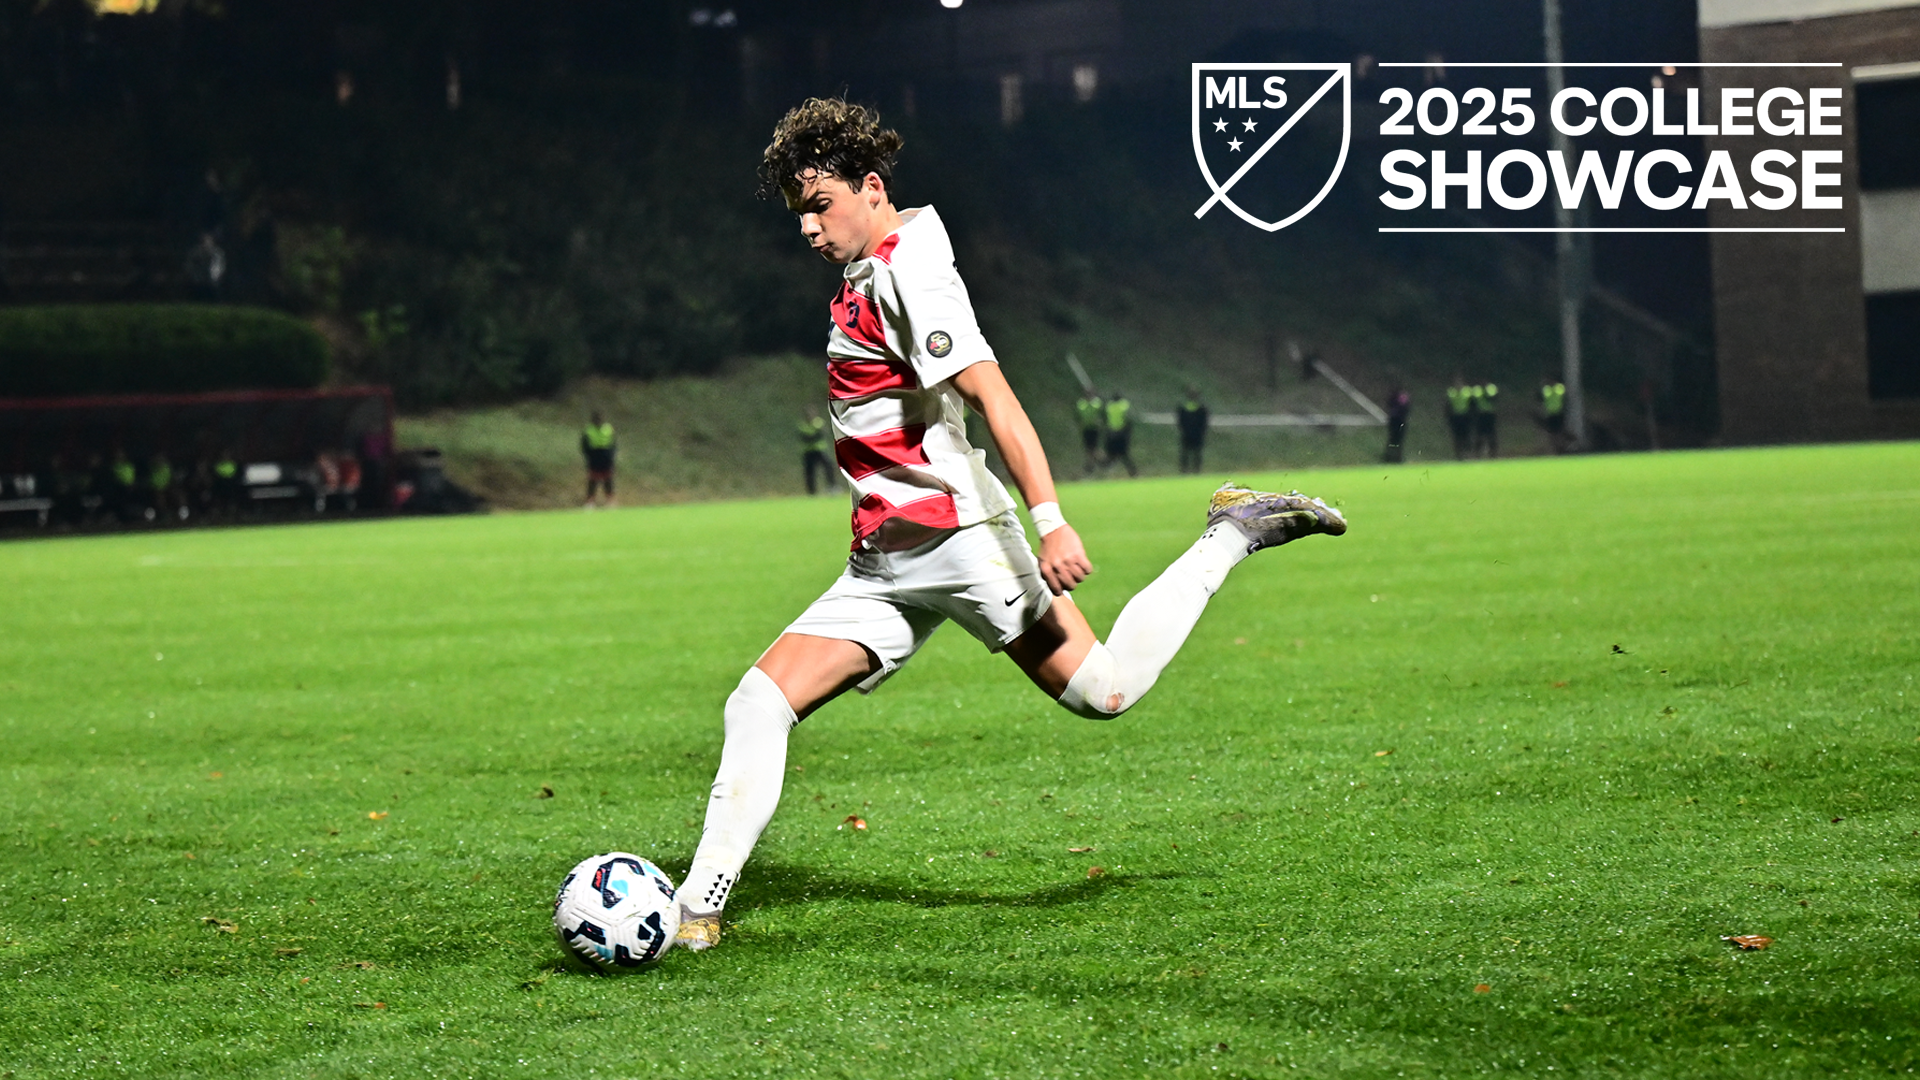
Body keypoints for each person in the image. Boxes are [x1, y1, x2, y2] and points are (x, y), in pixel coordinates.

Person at [669, 97, 1348, 953]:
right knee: (757, 704)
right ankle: (697, 908)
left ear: (870, 189)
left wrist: (1051, 520)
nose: (807, 228)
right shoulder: (869, 264)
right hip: (883, 562)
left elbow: (993, 395)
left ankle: (1232, 532)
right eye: (798, 213)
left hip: (963, 543)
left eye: (819, 206)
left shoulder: (915, 272)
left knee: (1106, 692)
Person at [580, 411, 616, 507]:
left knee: (608, 480)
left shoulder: (608, 429)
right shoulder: (588, 430)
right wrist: (589, 456)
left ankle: (610, 501)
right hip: (594, 457)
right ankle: (590, 502)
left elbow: (613, 444)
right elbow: (584, 446)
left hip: (606, 456)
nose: (598, 421)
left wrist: (611, 456)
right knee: (593, 480)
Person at [797, 408, 834, 494]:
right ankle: (811, 491)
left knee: (828, 466)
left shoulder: (819, 422)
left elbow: (822, 433)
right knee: (809, 472)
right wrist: (815, 435)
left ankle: (832, 486)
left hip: (820, 450)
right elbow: (805, 437)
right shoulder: (803, 424)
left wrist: (812, 436)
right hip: (808, 451)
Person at [1175, 387, 1209, 475]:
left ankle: (1184, 470)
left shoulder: (1182, 408)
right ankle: (1196, 470)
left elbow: (1180, 421)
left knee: (1186, 453)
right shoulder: (1202, 408)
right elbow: (1204, 422)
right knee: (1196, 453)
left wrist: (1183, 429)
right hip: (1197, 434)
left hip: (1186, 433)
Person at [1103, 390, 1137, 477]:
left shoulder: (1109, 406)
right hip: (1121, 432)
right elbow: (1128, 418)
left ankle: (1105, 470)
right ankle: (1132, 472)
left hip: (1112, 432)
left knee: (1114, 454)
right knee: (1122, 454)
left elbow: (1106, 419)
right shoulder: (1124, 405)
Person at [1074, 389, 1104, 474]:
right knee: (1089, 449)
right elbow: (1078, 416)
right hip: (1086, 428)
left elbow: (1101, 414)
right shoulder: (1081, 404)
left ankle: (1092, 464)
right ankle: (1093, 463)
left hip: (1094, 428)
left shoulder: (1096, 404)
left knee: (1093, 448)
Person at [1445, 375, 1473, 460]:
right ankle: (1459, 455)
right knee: (1457, 437)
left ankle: (1467, 453)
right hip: (1455, 417)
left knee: (1466, 436)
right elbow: (1447, 405)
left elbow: (1471, 404)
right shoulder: (1451, 392)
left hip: (1465, 416)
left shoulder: (1467, 392)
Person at [1538, 379, 1567, 454]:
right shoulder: (1548, 389)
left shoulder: (1558, 388)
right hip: (1551, 414)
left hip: (1558, 413)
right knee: (1553, 432)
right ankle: (1556, 447)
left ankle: (1561, 446)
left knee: (1558, 431)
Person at [1383, 386, 1411, 463]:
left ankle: (1394, 457)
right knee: (1394, 440)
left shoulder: (1398, 399)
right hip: (1396, 421)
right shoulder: (1397, 399)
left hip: (1398, 421)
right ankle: (1391, 456)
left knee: (1396, 440)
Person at [1474, 381, 1500, 458]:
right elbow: (1473, 402)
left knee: (1491, 434)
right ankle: (1478, 452)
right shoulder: (1477, 390)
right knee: (1480, 435)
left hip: (1490, 414)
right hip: (1481, 414)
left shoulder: (1491, 389)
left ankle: (1493, 452)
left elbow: (1493, 398)